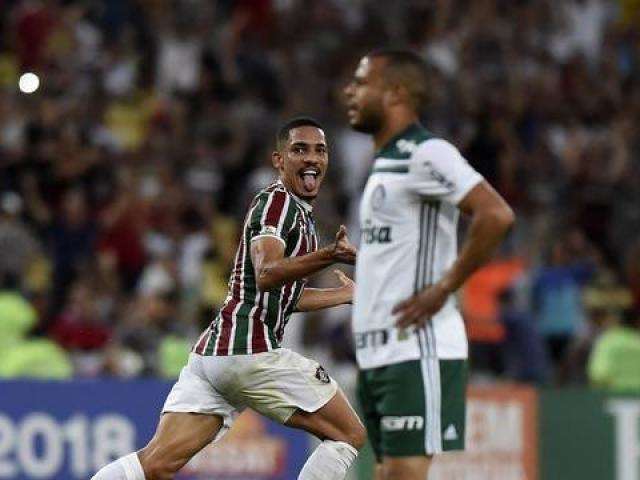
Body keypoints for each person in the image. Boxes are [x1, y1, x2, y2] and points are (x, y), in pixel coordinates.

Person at [91, 117, 366, 480]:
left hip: (215, 356)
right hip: (250, 352)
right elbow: (268, 272)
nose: (312, 157)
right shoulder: (278, 204)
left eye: (320, 150)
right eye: (299, 149)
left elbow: (282, 294)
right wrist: (329, 255)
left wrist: (342, 295)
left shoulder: (297, 213)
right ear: (279, 160)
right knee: (349, 434)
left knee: (155, 463)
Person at [344, 49, 515, 480]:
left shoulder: (427, 152)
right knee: (386, 474)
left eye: (362, 82)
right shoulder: (385, 162)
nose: (350, 90)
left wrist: (445, 287)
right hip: (377, 352)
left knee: (403, 473)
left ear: (396, 92)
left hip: (417, 347)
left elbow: (495, 214)